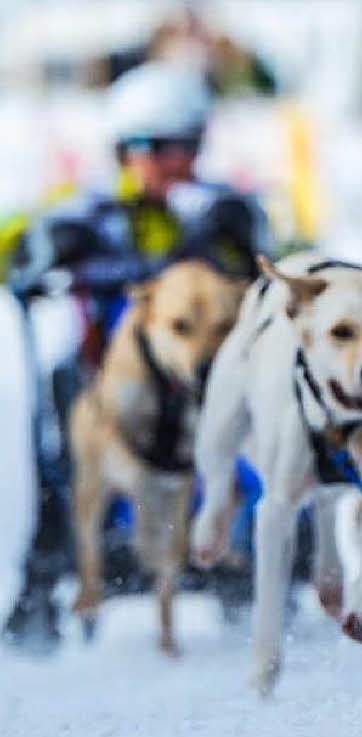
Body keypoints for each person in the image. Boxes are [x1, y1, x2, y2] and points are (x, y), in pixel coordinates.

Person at [1, 61, 270, 651]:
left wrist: (252, 239)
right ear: (126, 150)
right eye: (157, 148)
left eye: (187, 147)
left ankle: (256, 560)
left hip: (206, 374)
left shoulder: (220, 210)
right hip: (105, 380)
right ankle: (46, 579)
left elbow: (285, 261)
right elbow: (13, 247)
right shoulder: (82, 211)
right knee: (61, 409)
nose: (175, 162)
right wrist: (34, 247)